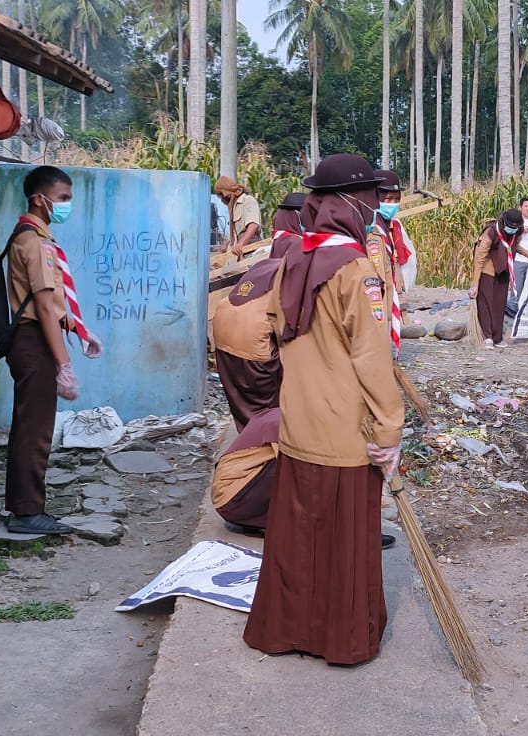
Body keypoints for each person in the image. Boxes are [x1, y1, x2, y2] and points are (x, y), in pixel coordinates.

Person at [244, 154, 405, 666]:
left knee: (298, 537)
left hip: (299, 426)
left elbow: (272, 328)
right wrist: (389, 427)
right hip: (345, 434)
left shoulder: (292, 257)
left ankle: (286, 632)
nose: (376, 207)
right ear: (351, 202)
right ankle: (341, 640)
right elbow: (371, 357)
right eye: (373, 198)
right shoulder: (357, 271)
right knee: (345, 544)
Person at [3, 166, 103, 536]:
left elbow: (52, 304)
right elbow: (43, 306)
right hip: (34, 340)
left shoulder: (33, 236)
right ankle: (27, 513)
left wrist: (78, 328)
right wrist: (64, 363)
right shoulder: (34, 242)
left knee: (30, 423)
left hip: (34, 336)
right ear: (39, 199)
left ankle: (22, 505)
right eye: (62, 199)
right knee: (36, 428)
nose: (66, 206)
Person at [209, 252, 284, 430]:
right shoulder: (290, 273)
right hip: (252, 344)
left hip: (222, 334)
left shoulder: (264, 266)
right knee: (272, 399)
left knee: (240, 398)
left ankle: (248, 439)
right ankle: (266, 442)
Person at [471, 209, 528, 349]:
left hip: (504, 269)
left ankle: (497, 337)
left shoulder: (516, 231)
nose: (512, 230)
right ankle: (487, 336)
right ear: (504, 222)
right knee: (485, 303)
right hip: (487, 270)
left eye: (515, 228)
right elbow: (479, 257)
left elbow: (514, 246)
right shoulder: (491, 232)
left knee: (499, 305)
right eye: (510, 227)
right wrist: (475, 283)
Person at [211, 408, 281, 536]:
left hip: (231, 497)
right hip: (233, 501)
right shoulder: (282, 424)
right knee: (297, 468)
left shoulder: (278, 413)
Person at [372, 170, 417, 295]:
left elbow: (409, 261)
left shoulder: (396, 226)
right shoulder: (369, 228)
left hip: (396, 287)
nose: (393, 204)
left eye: (397, 199)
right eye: (389, 199)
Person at [216, 176, 262, 256]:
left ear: (226, 194)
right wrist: (227, 244)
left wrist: (241, 243)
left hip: (252, 251)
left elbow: (254, 225)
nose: (221, 200)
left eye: (221, 196)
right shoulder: (234, 207)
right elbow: (236, 232)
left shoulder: (247, 201)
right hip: (241, 253)